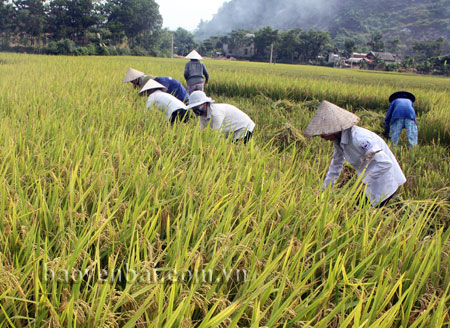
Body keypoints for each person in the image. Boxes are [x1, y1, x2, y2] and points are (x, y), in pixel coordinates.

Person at [303, 100, 406, 207]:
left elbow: (385, 163)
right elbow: (336, 164)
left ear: (333, 130)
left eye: (323, 133)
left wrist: (363, 182)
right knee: (356, 207)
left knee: (367, 213)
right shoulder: (338, 141)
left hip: (383, 180)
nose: (321, 137)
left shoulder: (360, 138)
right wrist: (325, 189)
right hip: (368, 180)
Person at [186, 91, 255, 144]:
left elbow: (216, 134)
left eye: (197, 107)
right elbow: (201, 130)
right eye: (193, 108)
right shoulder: (203, 115)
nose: (195, 110)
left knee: (236, 149)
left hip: (243, 127)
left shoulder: (216, 113)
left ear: (205, 103)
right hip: (231, 132)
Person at [123, 68, 189, 104]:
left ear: (136, 78)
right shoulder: (136, 84)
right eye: (131, 81)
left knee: (182, 101)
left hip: (172, 86)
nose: (132, 82)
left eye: (132, 80)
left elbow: (144, 93)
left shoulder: (146, 80)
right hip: (164, 85)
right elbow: (138, 95)